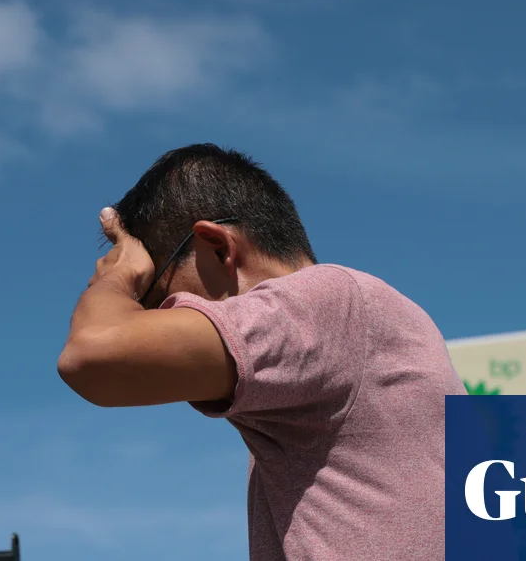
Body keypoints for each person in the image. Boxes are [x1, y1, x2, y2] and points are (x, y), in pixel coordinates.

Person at [58, 143, 466, 560]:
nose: (156, 321)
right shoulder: (360, 326)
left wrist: (118, 277)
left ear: (219, 248)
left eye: (153, 297)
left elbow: (92, 354)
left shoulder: (328, 301)